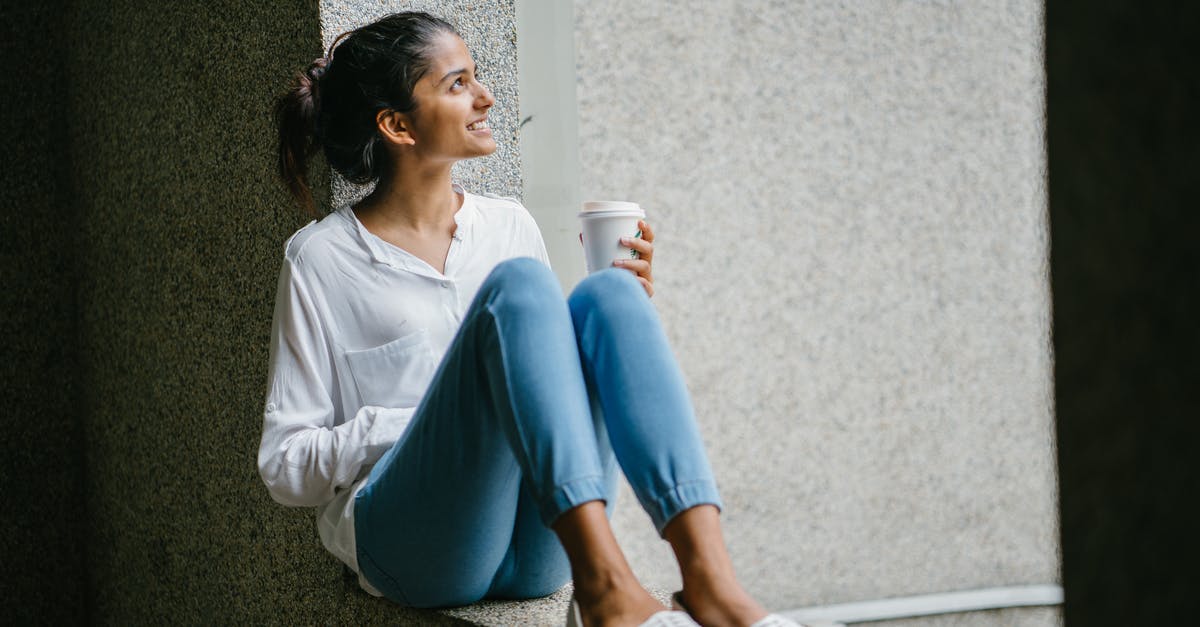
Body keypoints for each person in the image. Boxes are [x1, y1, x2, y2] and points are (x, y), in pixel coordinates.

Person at [259, 11, 802, 627]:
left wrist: (616, 331)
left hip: (537, 542)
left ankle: (710, 581)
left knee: (610, 296)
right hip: (416, 546)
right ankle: (605, 588)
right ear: (397, 125)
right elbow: (283, 466)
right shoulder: (322, 258)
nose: (486, 97)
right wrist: (418, 422)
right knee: (518, 287)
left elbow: (545, 383)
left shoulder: (508, 223)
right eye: (458, 84)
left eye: (476, 77)